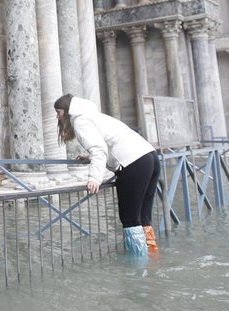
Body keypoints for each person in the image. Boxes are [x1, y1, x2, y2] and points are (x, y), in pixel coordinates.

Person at [54, 94, 161, 255]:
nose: (58, 117)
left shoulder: (80, 121)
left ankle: (138, 265)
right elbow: (109, 142)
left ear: (68, 111)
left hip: (133, 162)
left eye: (59, 112)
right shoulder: (94, 115)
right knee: (143, 217)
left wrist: (94, 178)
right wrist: (90, 158)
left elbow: (99, 149)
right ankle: (152, 256)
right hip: (149, 157)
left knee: (130, 220)